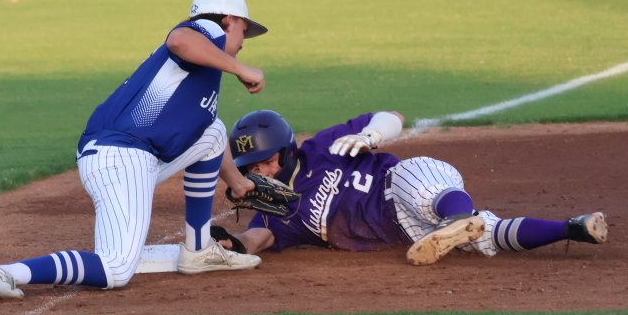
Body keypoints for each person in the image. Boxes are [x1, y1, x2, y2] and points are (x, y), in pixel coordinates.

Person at [0, 0, 269, 299]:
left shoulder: (201, 72)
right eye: (244, 29)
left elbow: (211, 138)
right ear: (229, 20)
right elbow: (179, 38)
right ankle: (4, 271)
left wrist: (239, 183)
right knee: (116, 269)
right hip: (122, 157)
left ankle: (199, 249)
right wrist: (241, 69)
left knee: (213, 131)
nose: (244, 42)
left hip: (134, 155)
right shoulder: (209, 29)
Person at [213, 109, 607, 263]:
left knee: (418, 182)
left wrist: (371, 135)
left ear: (287, 150)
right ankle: (573, 227)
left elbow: (392, 115)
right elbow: (258, 240)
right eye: (253, 167)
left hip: (398, 187)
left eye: (267, 160)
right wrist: (230, 244)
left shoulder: (323, 148)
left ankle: (458, 218)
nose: (262, 170)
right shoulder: (275, 211)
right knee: (490, 234)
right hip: (410, 237)